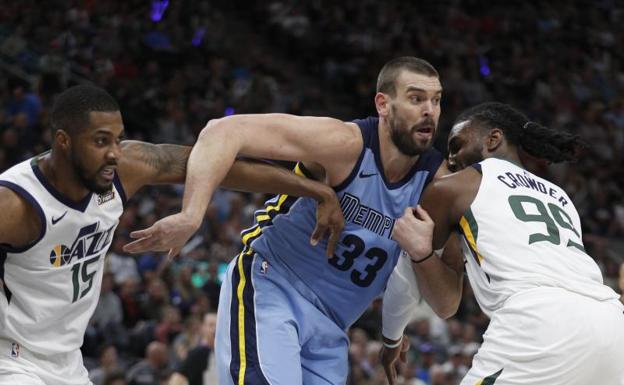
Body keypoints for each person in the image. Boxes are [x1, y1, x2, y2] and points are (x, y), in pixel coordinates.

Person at [126, 56, 450, 384]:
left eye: (436, 100)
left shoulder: (437, 185)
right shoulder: (345, 144)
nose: (429, 110)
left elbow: (446, 301)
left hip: (333, 326)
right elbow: (223, 130)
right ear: (383, 104)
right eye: (416, 98)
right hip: (274, 284)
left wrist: (394, 334)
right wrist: (191, 214)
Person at [0, 84, 344, 385]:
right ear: (63, 141)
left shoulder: (125, 168)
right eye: (100, 141)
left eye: (118, 140)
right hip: (12, 360)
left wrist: (315, 190)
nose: (113, 153)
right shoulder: (15, 204)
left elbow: (216, 165)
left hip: (67, 363)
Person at [387, 102, 624, 384]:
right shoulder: (560, 196)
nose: (450, 159)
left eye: (457, 145)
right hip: (611, 323)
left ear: (493, 139)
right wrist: (426, 255)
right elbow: (447, 305)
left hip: (540, 321)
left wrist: (391, 339)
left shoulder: (453, 188)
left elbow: (408, 284)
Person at [168, 313, 218, 385]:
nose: (215, 328)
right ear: (203, 328)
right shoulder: (198, 352)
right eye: (211, 325)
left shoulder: (224, 352)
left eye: (217, 324)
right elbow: (177, 378)